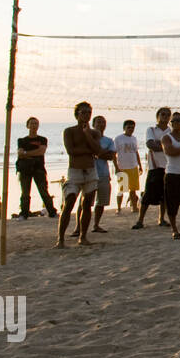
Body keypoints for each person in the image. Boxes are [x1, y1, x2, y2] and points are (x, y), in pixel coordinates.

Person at [58, 101, 104, 248]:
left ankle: (83, 236)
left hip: (90, 171)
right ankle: (61, 239)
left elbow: (98, 150)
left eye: (89, 113)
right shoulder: (69, 131)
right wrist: (88, 151)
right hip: (75, 171)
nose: (86, 115)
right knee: (69, 202)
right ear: (77, 114)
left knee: (87, 204)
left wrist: (87, 134)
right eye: (83, 112)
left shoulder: (94, 133)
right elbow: (71, 150)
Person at [134, 107, 171, 229]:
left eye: (167, 115)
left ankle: (161, 219)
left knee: (164, 195)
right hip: (154, 167)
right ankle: (140, 220)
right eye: (163, 114)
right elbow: (150, 145)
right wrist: (165, 146)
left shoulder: (170, 131)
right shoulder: (151, 130)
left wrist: (161, 145)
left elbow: (170, 146)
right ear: (158, 116)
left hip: (168, 166)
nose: (165, 116)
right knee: (148, 195)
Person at [15, 116, 56, 219]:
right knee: (25, 193)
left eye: (36, 123)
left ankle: (52, 212)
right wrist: (32, 154)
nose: (34, 126)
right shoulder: (22, 140)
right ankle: (24, 213)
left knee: (44, 191)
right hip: (25, 169)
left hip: (39, 168)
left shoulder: (42, 139)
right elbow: (20, 154)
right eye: (32, 123)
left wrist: (27, 153)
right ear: (27, 126)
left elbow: (41, 151)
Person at [84, 115, 116, 235]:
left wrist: (97, 152)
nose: (101, 124)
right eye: (99, 122)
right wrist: (101, 152)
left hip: (103, 173)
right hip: (89, 172)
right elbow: (87, 152)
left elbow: (111, 156)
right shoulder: (88, 138)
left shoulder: (108, 140)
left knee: (101, 202)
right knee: (86, 202)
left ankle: (96, 224)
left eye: (103, 122)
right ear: (93, 124)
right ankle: (79, 227)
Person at [113, 119, 141, 214]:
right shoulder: (118, 139)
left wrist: (140, 165)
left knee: (133, 189)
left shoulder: (134, 138)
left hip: (133, 166)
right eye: (129, 127)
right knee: (121, 189)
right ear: (124, 128)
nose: (131, 129)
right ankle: (119, 208)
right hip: (122, 167)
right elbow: (114, 154)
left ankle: (134, 207)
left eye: (132, 127)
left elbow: (136, 152)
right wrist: (116, 167)